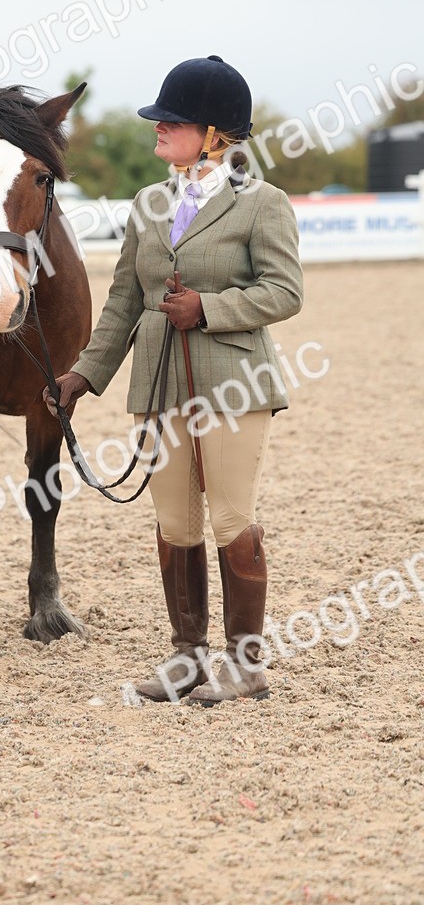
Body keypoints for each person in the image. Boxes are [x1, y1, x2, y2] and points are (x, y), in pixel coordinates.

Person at [46, 55, 304, 705]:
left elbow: (284, 291)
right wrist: (85, 374)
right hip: (160, 385)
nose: (158, 128)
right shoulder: (149, 204)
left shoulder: (263, 204)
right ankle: (188, 656)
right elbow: (124, 300)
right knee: (175, 523)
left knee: (231, 519)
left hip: (234, 382)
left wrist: (209, 308)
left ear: (215, 134)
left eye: (173, 121)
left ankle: (245, 664)